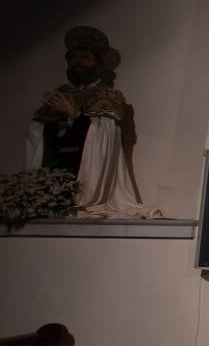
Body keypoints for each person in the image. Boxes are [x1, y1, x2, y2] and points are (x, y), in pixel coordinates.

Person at [27, 26, 162, 219]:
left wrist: (75, 115)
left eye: (84, 57)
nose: (77, 62)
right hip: (58, 167)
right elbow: (38, 138)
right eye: (72, 58)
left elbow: (105, 137)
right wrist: (49, 121)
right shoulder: (61, 93)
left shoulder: (107, 96)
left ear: (97, 64)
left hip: (87, 169)